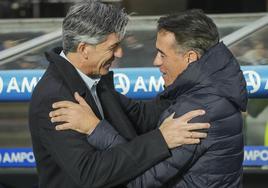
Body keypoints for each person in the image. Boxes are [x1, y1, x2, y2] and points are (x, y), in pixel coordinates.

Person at [50, 9, 248, 187]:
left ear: (190, 57)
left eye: (162, 54)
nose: (156, 61)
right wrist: (94, 85)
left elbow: (139, 180)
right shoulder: (208, 93)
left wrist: (95, 128)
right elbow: (143, 115)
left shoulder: (195, 114)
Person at [28, 1, 210, 188]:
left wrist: (198, 90)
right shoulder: (54, 98)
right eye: (112, 47)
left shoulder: (95, 80)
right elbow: (91, 174)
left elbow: (140, 115)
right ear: (83, 49)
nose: (120, 53)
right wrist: (161, 140)